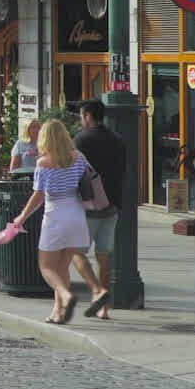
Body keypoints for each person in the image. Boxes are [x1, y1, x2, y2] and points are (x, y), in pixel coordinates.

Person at [6, 120, 109, 325]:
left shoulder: (43, 163)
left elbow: (39, 195)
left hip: (55, 215)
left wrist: (22, 216)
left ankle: (65, 295)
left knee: (46, 267)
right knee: (62, 268)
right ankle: (58, 312)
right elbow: (89, 179)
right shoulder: (79, 157)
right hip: (77, 214)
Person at [73, 99, 124, 320]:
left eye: (82, 116)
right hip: (111, 205)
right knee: (104, 256)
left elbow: (75, 172)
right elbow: (123, 171)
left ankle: (96, 290)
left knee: (76, 252)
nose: (81, 120)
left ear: (88, 116)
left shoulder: (81, 140)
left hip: (89, 206)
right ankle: (104, 308)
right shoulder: (118, 139)